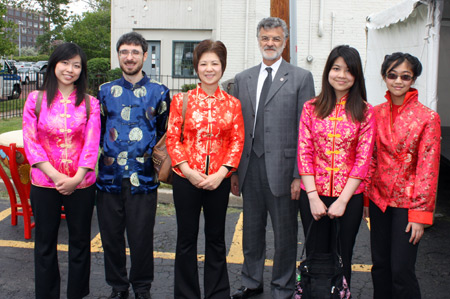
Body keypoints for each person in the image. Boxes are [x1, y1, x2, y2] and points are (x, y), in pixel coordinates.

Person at [230, 17, 315, 299]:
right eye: (265, 38)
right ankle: (251, 281)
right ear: (258, 40)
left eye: (276, 39)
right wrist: (234, 171)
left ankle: (283, 286)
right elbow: (236, 128)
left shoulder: (301, 78)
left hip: (283, 170)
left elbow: (306, 132)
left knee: (284, 236)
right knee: (251, 232)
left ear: (284, 42)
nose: (270, 43)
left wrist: (297, 174)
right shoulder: (243, 78)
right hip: (249, 166)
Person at [166, 39, 245, 299]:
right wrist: (188, 171)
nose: (209, 69)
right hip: (185, 179)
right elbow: (172, 139)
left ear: (222, 67)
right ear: (196, 67)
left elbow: (237, 141)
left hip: (218, 181)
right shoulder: (181, 100)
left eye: (215, 63)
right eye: (204, 63)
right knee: (186, 240)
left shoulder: (232, 104)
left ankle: (217, 293)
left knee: (216, 239)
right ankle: (186, 294)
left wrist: (221, 174)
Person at [22, 42, 100, 299]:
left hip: (82, 183)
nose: (70, 69)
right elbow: (31, 142)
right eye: (65, 63)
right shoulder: (36, 99)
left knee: (80, 243)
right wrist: (56, 176)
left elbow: (91, 143)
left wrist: (76, 178)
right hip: (45, 183)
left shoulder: (90, 103)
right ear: (54, 64)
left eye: (76, 65)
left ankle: (77, 294)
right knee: (45, 244)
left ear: (82, 70)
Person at [96, 32, 170, 299]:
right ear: (118, 55)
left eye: (135, 52)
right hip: (109, 178)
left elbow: (164, 134)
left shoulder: (159, 93)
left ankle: (141, 287)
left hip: (144, 179)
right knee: (111, 239)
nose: (129, 57)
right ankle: (118, 287)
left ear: (145, 56)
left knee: (141, 239)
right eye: (124, 52)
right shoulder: (105, 92)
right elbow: (99, 131)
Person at [297, 45, 375, 287]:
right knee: (315, 255)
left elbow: (363, 160)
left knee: (343, 257)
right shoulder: (311, 107)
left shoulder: (365, 111)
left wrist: (342, 201)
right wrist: (312, 196)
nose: (341, 75)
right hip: (313, 194)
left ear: (356, 76)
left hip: (348, 198)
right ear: (327, 71)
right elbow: (304, 151)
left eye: (348, 70)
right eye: (336, 68)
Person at [364, 53, 441, 299]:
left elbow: (427, 169)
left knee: (401, 270)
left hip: (408, 206)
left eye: (405, 76)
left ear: (413, 79)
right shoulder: (375, 113)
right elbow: (371, 158)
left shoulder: (428, 117)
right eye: (392, 75)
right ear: (384, 77)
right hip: (378, 200)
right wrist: (366, 198)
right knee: (380, 267)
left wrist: (420, 215)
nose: (398, 81)